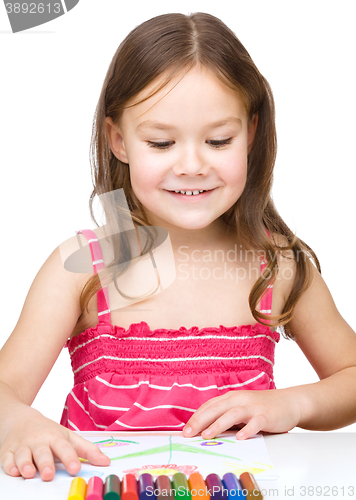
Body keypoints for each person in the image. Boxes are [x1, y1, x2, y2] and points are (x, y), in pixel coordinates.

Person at [1, 12, 356, 484]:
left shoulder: (278, 266)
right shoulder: (83, 267)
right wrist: (18, 422)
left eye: (218, 140)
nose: (191, 164)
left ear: (250, 133)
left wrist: (294, 403)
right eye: (162, 142)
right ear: (118, 141)